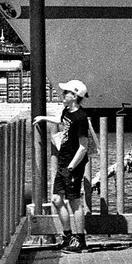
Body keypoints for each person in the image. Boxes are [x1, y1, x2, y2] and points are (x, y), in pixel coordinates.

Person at [34, 79, 92, 252]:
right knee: (57, 199)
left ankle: (80, 240)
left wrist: (71, 168)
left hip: (72, 165)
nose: (62, 95)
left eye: (66, 92)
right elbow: (60, 120)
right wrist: (43, 118)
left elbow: (83, 147)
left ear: (74, 96)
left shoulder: (81, 117)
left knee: (74, 201)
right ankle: (68, 237)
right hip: (63, 162)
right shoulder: (66, 111)